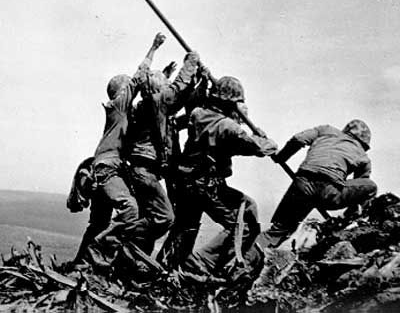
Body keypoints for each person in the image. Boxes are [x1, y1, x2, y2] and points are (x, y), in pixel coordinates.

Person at [168, 76, 278, 282]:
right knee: (247, 219)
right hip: (208, 185)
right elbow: (261, 148)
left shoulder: (197, 114)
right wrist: (264, 139)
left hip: (186, 181)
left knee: (186, 227)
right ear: (231, 104)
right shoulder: (228, 127)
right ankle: (203, 263)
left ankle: (172, 267)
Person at [72, 32, 166, 267]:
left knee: (99, 222)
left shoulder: (121, 113)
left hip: (104, 168)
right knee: (130, 208)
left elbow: (149, 92)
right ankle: (100, 250)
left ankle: (80, 263)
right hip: (108, 169)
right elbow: (139, 77)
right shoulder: (118, 106)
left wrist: (165, 76)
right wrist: (153, 48)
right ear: (121, 91)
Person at [122, 51, 201, 256]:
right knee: (164, 217)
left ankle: (134, 259)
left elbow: (179, 108)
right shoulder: (156, 103)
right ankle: (120, 237)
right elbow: (176, 90)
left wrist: (198, 85)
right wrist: (191, 62)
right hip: (145, 172)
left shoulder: (150, 109)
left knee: (151, 215)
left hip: (144, 172)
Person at [260, 119, 378, 248]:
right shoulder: (363, 156)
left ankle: (247, 253)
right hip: (329, 193)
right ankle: (347, 221)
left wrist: (281, 157)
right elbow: (360, 187)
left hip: (302, 185)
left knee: (279, 230)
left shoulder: (325, 130)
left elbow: (298, 139)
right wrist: (351, 213)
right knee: (371, 186)